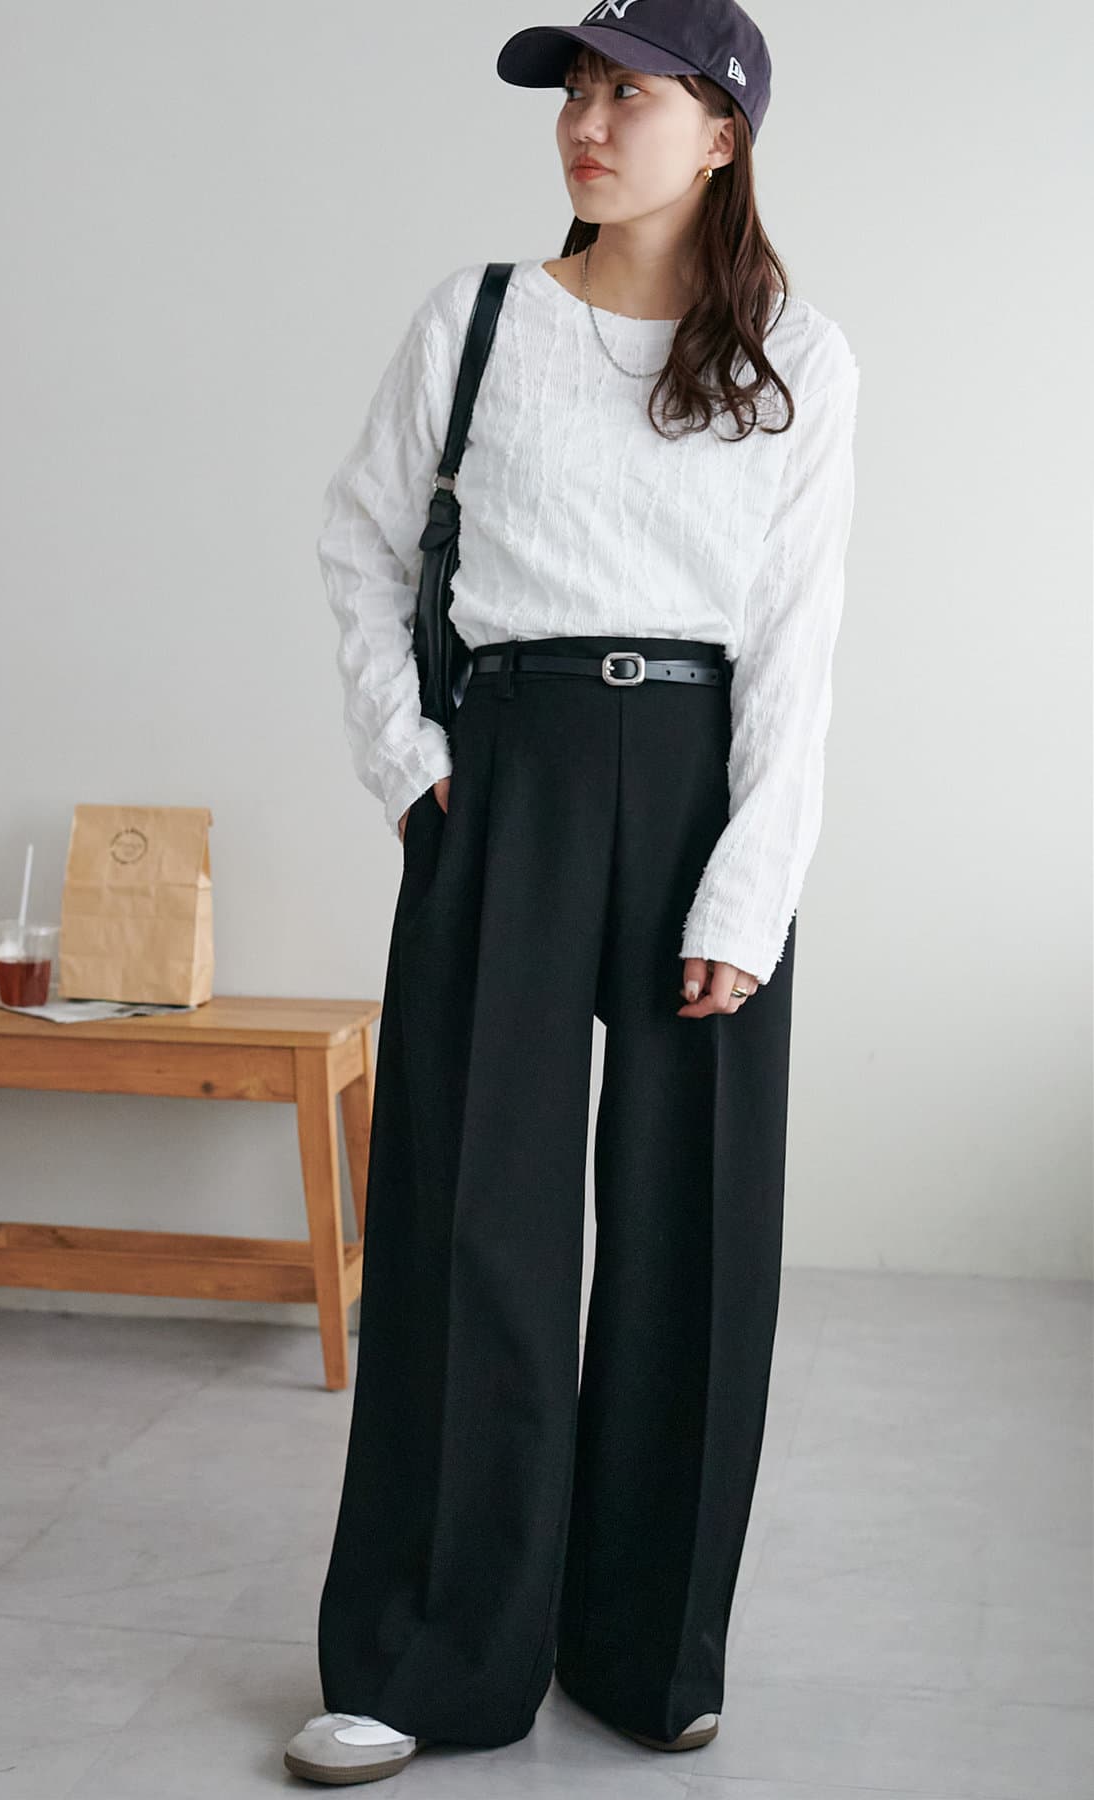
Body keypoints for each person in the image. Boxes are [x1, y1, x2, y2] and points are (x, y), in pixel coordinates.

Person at [285, 0, 860, 1784]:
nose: (587, 123)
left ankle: (643, 1644)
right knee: (474, 1217)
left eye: (631, 94)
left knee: (694, 1229)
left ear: (723, 132)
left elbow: (798, 645)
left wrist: (747, 897)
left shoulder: (795, 355)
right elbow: (364, 542)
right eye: (576, 93)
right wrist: (414, 765)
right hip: (508, 766)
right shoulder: (477, 320)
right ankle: (430, 1658)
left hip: (699, 781)